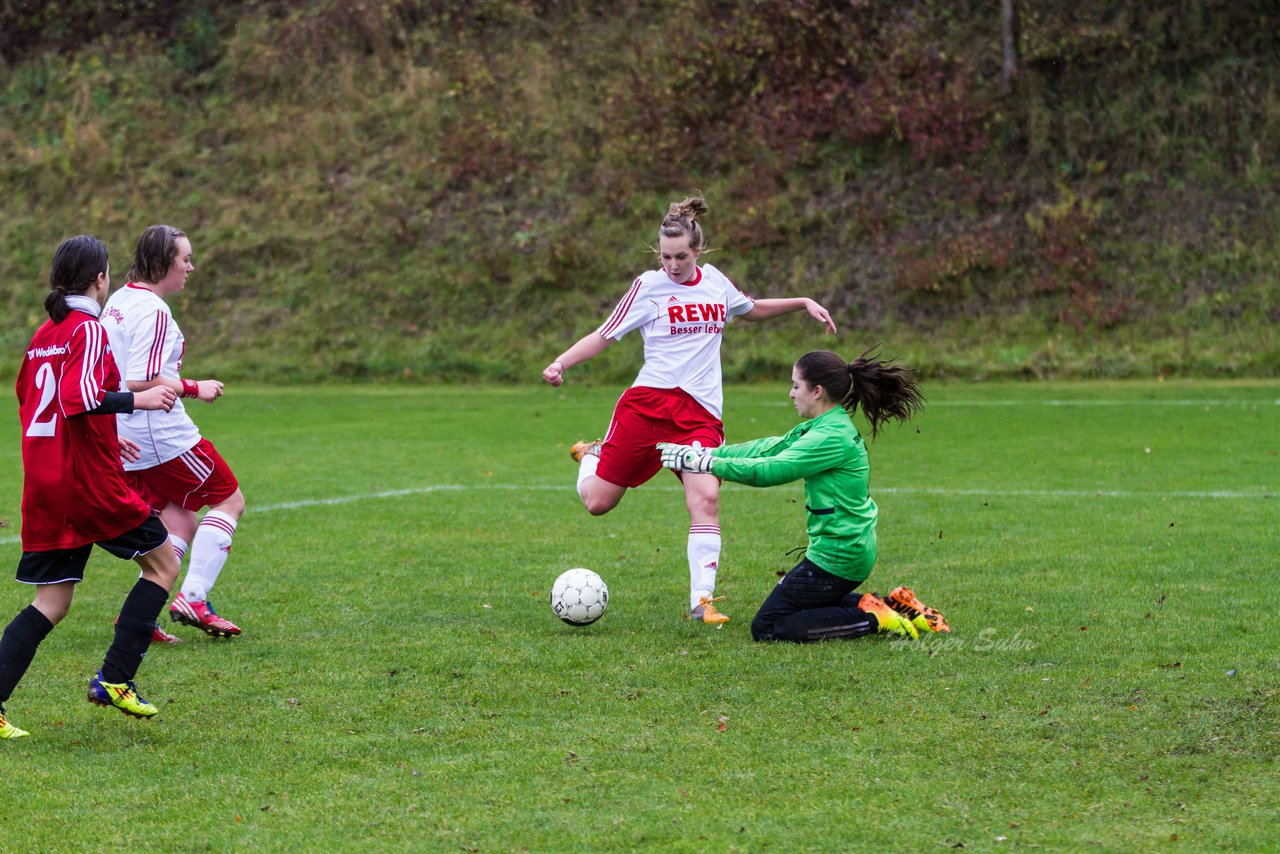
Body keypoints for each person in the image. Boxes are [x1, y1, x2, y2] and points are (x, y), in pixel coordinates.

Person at [542, 196, 836, 624]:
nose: (673, 265)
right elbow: (606, 335)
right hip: (647, 405)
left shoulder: (715, 281)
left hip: (699, 414)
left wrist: (802, 301)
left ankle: (702, 602)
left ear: (698, 251)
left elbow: (750, 310)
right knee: (598, 503)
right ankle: (593, 455)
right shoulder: (648, 286)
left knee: (707, 497)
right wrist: (561, 362)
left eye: (681, 256)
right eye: (665, 256)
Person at [1, 236, 181, 740]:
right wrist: (139, 403)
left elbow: (40, 404)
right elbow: (80, 398)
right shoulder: (89, 329)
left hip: (46, 481)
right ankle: (116, 678)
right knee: (164, 563)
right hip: (86, 486)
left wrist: (104, 440)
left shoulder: (43, 335)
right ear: (100, 279)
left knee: (51, 603)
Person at [657, 349, 952, 643]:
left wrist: (708, 465)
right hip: (848, 548)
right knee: (811, 604)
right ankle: (897, 605)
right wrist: (708, 453)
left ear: (817, 391)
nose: (791, 393)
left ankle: (875, 619)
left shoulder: (829, 436)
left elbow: (773, 469)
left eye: (796, 386)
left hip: (838, 556)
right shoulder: (826, 424)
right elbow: (770, 448)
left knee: (768, 625)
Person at [101, 225, 246, 639]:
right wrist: (194, 387)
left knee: (180, 523)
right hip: (161, 434)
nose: (190, 267)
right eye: (185, 259)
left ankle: (139, 617)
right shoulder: (154, 310)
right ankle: (194, 598)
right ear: (165, 263)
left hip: (129, 432)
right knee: (229, 501)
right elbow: (140, 379)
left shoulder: (121, 299)